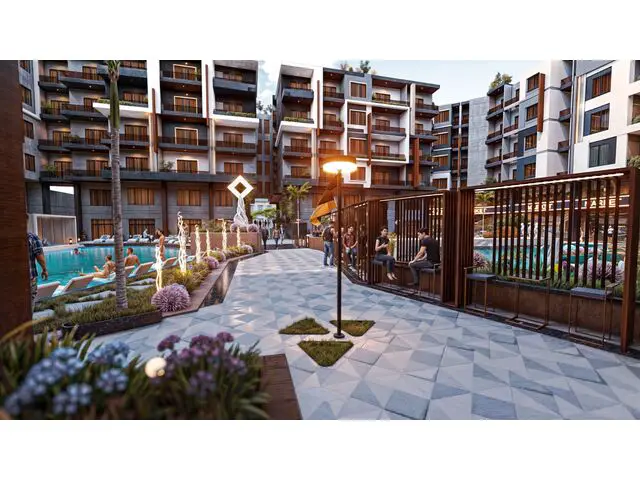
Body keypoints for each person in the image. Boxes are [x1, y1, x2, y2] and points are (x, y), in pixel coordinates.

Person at [28, 231, 48, 311]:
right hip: (29, 278)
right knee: (29, 303)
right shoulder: (31, 237)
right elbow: (39, 255)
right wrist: (44, 269)